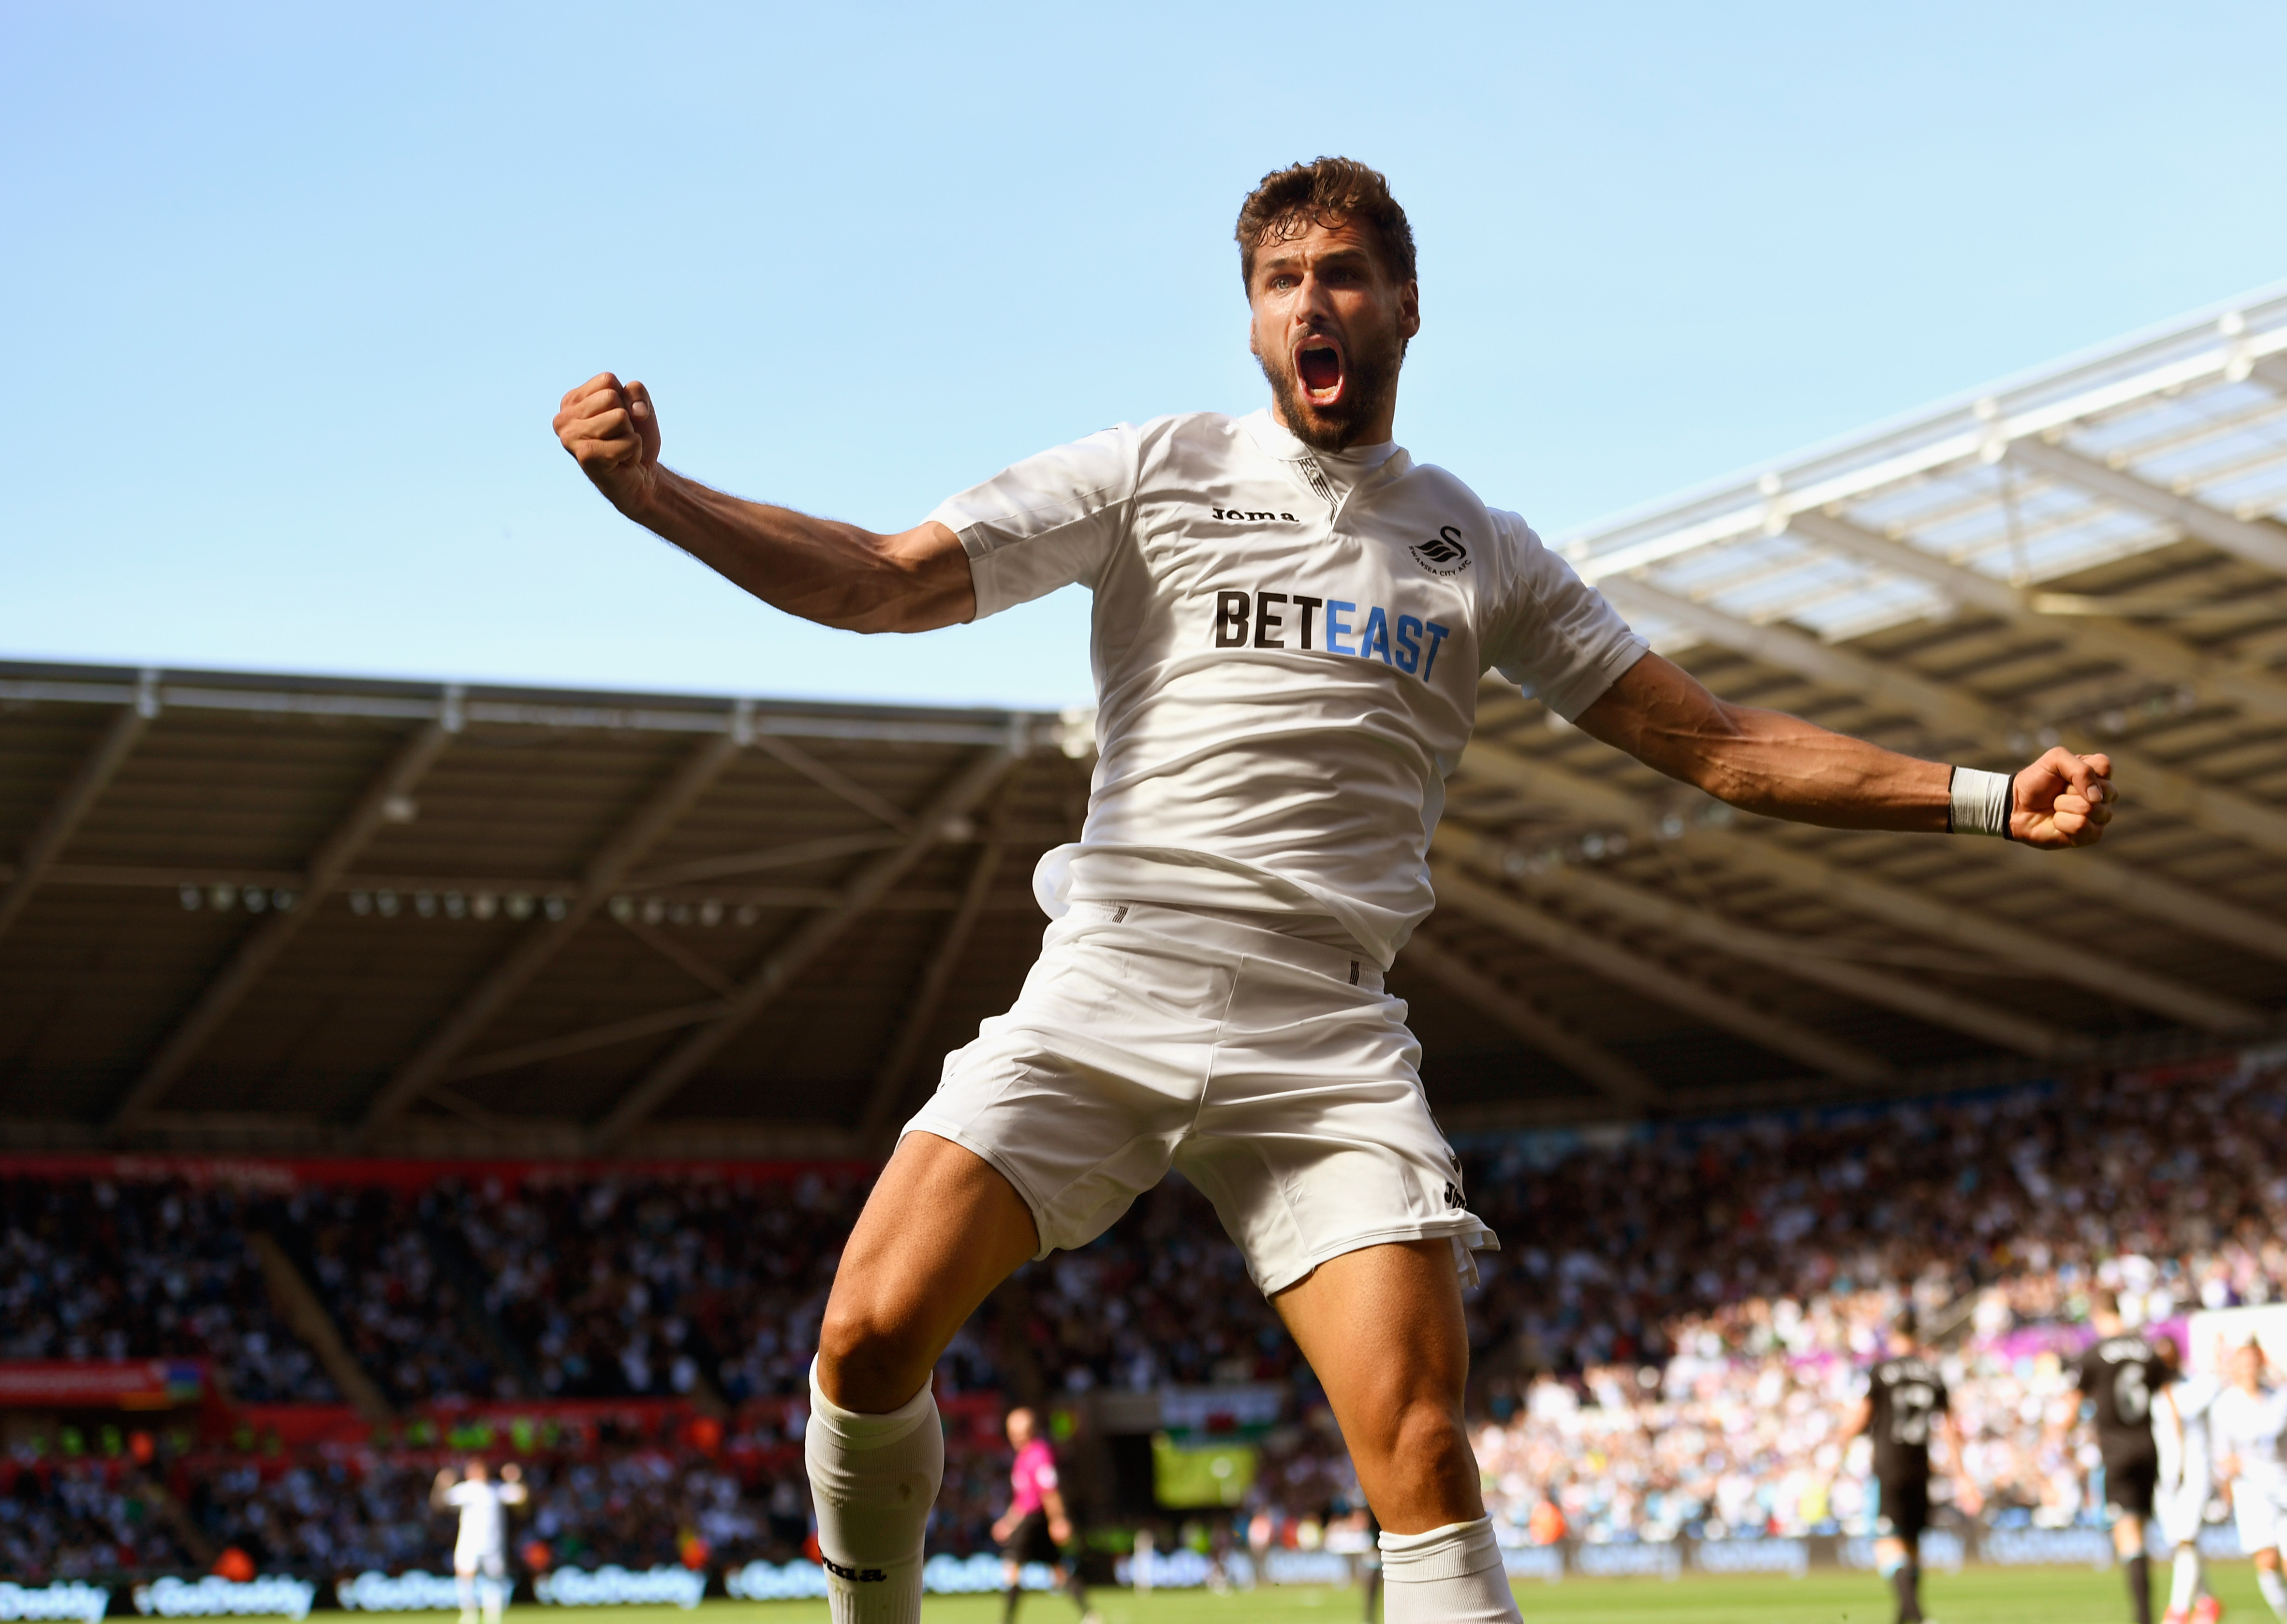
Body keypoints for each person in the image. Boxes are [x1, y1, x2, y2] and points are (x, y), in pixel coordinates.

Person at [554, 156, 2116, 1624]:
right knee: (864, 1334)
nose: (1313, 302)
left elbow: (1716, 746)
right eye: (1282, 277)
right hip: (1110, 983)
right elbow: (885, 582)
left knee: (1425, 1453)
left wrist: (1980, 791)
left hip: (1324, 1037)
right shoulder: (1149, 469)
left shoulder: (1478, 547)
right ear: (1249, 316)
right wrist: (658, 495)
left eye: (1348, 274)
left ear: (1405, 307)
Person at [1842, 1309, 1980, 1624]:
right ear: (1917, 1336)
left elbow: (1860, 1419)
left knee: (1887, 1546)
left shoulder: (1882, 1370)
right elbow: (1948, 1428)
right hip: (1920, 1467)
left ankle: (1917, 1617)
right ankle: (1905, 1617)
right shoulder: (1932, 1373)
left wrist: (1838, 1435)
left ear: (1893, 1335)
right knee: (1912, 1544)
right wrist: (1962, 1476)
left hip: (1889, 1465)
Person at [2079, 1302, 2175, 1624]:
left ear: (2098, 1315)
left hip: (2117, 1452)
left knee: (2128, 1532)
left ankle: (2144, 1616)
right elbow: (2169, 1400)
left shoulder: (2095, 1353)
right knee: (2141, 1529)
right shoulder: (2147, 1350)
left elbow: (2070, 1407)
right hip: (2148, 1447)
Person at [2211, 1342, 2287, 1624]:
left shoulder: (2282, 1399)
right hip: (2251, 1491)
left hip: (2285, 1485)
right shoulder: (2224, 1406)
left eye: (2253, 1363)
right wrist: (2228, 1473)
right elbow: (2222, 1455)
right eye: (2242, 1363)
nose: (2248, 1369)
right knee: (2266, 1559)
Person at [990, 1408, 1096, 1624]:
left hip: (1035, 1520)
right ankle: (1089, 1614)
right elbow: (1022, 1499)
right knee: (1058, 1570)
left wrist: (1059, 1520)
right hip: (1031, 1519)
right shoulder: (1023, 1456)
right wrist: (1008, 1523)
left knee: (1012, 1568)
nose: (1015, 1437)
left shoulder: (1039, 1454)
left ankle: (1007, 1620)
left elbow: (1049, 1492)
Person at [2151, 1333, 2222, 1624]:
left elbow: (2190, 1405)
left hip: (2194, 1476)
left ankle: (2178, 1611)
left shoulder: (2196, 1388)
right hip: (2165, 1480)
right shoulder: (2151, 1395)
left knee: (2185, 1539)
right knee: (2179, 1545)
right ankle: (2206, 1602)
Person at [430, 1459, 526, 1624]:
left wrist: (516, 1479)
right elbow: (439, 1505)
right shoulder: (465, 1490)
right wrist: (441, 1484)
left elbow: (522, 1500)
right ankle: (469, 1615)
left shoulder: (497, 1489)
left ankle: (494, 1618)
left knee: (494, 1581)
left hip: (493, 1545)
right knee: (466, 1578)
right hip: (470, 1543)